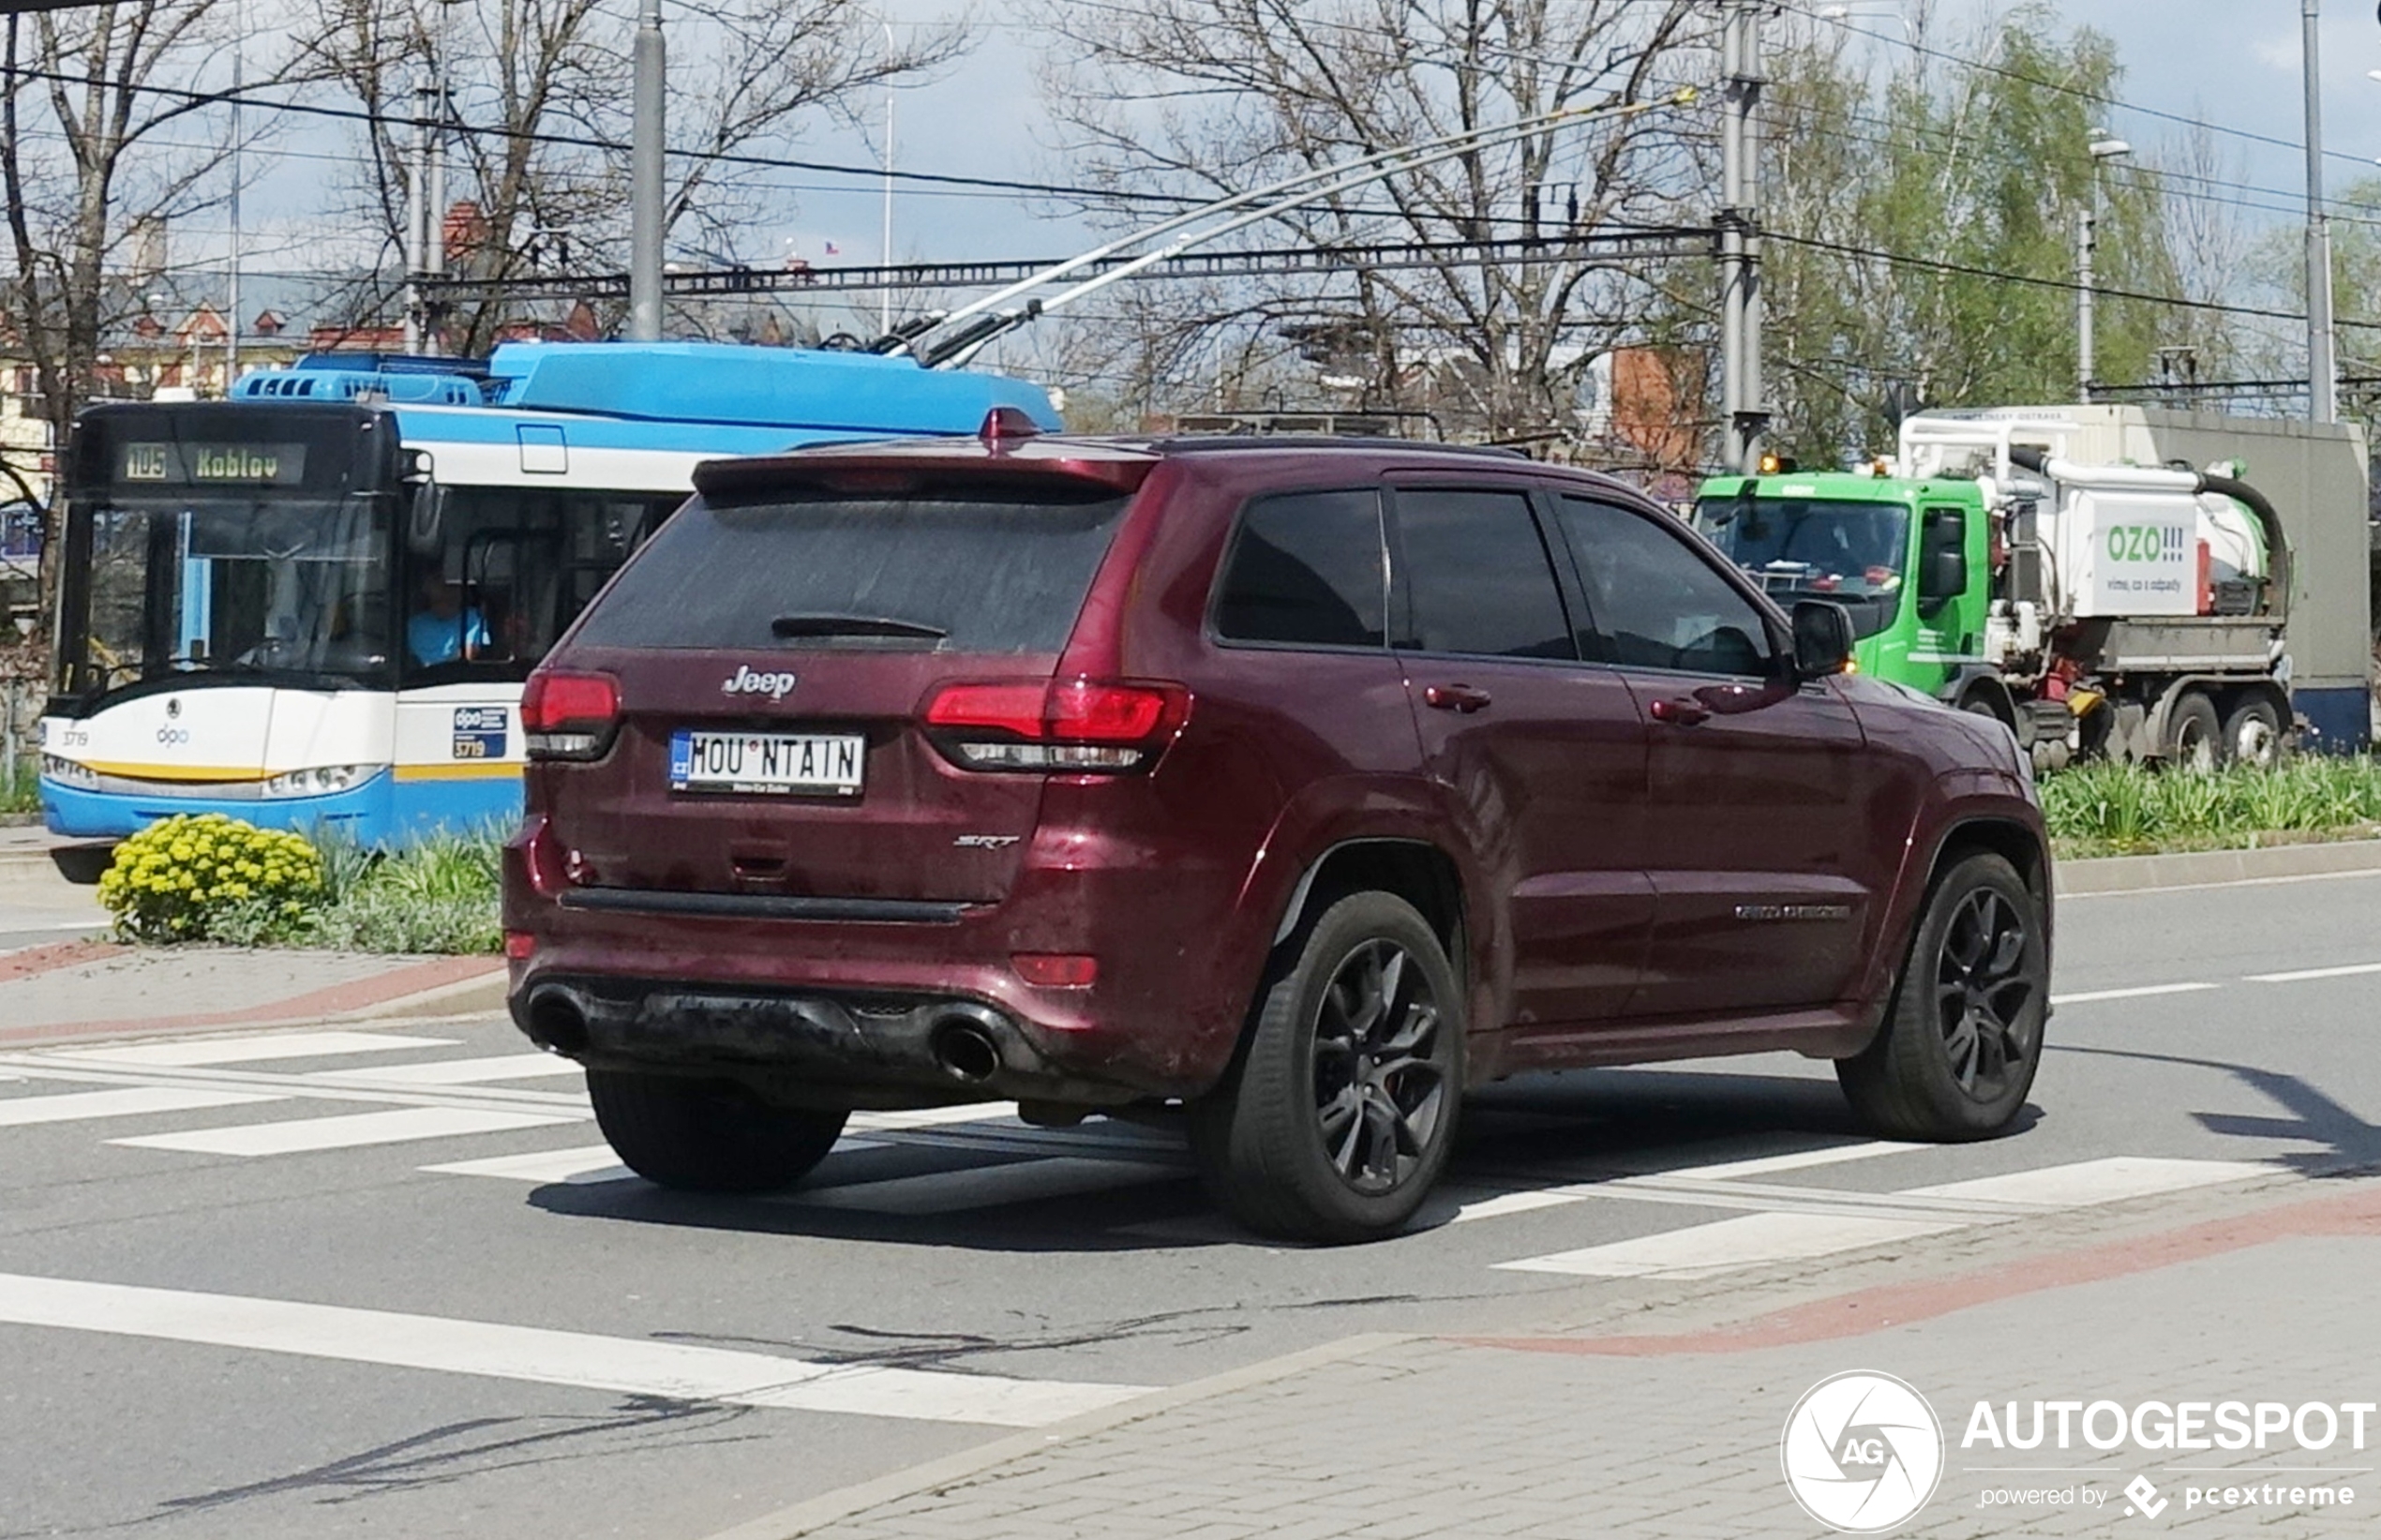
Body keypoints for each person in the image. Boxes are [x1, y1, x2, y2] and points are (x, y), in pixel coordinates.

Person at [407, 571, 488, 666]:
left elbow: (468, 656)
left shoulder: (473, 619)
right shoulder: (414, 624)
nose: (447, 592)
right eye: (441, 588)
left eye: (452, 587)